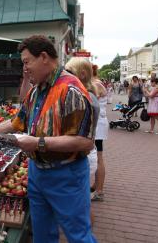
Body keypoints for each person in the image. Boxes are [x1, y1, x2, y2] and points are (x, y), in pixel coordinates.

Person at [0, 36, 97, 243]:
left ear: (44, 57)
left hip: (67, 174)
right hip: (37, 173)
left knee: (78, 236)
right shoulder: (36, 91)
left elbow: (85, 141)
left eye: (27, 62)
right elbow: (15, 123)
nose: (25, 68)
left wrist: (38, 143)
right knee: (42, 234)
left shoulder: (71, 89)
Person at [65, 57, 100, 226]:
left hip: (82, 156)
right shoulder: (84, 94)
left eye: (70, 72)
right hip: (81, 155)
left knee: (81, 208)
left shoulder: (87, 97)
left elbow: (82, 138)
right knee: (82, 204)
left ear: (83, 74)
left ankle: (85, 233)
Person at [91, 64, 109, 201]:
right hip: (99, 123)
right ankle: (97, 185)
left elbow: (92, 101)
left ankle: (99, 191)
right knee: (98, 156)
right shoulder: (97, 83)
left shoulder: (95, 84)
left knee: (98, 157)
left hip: (97, 125)